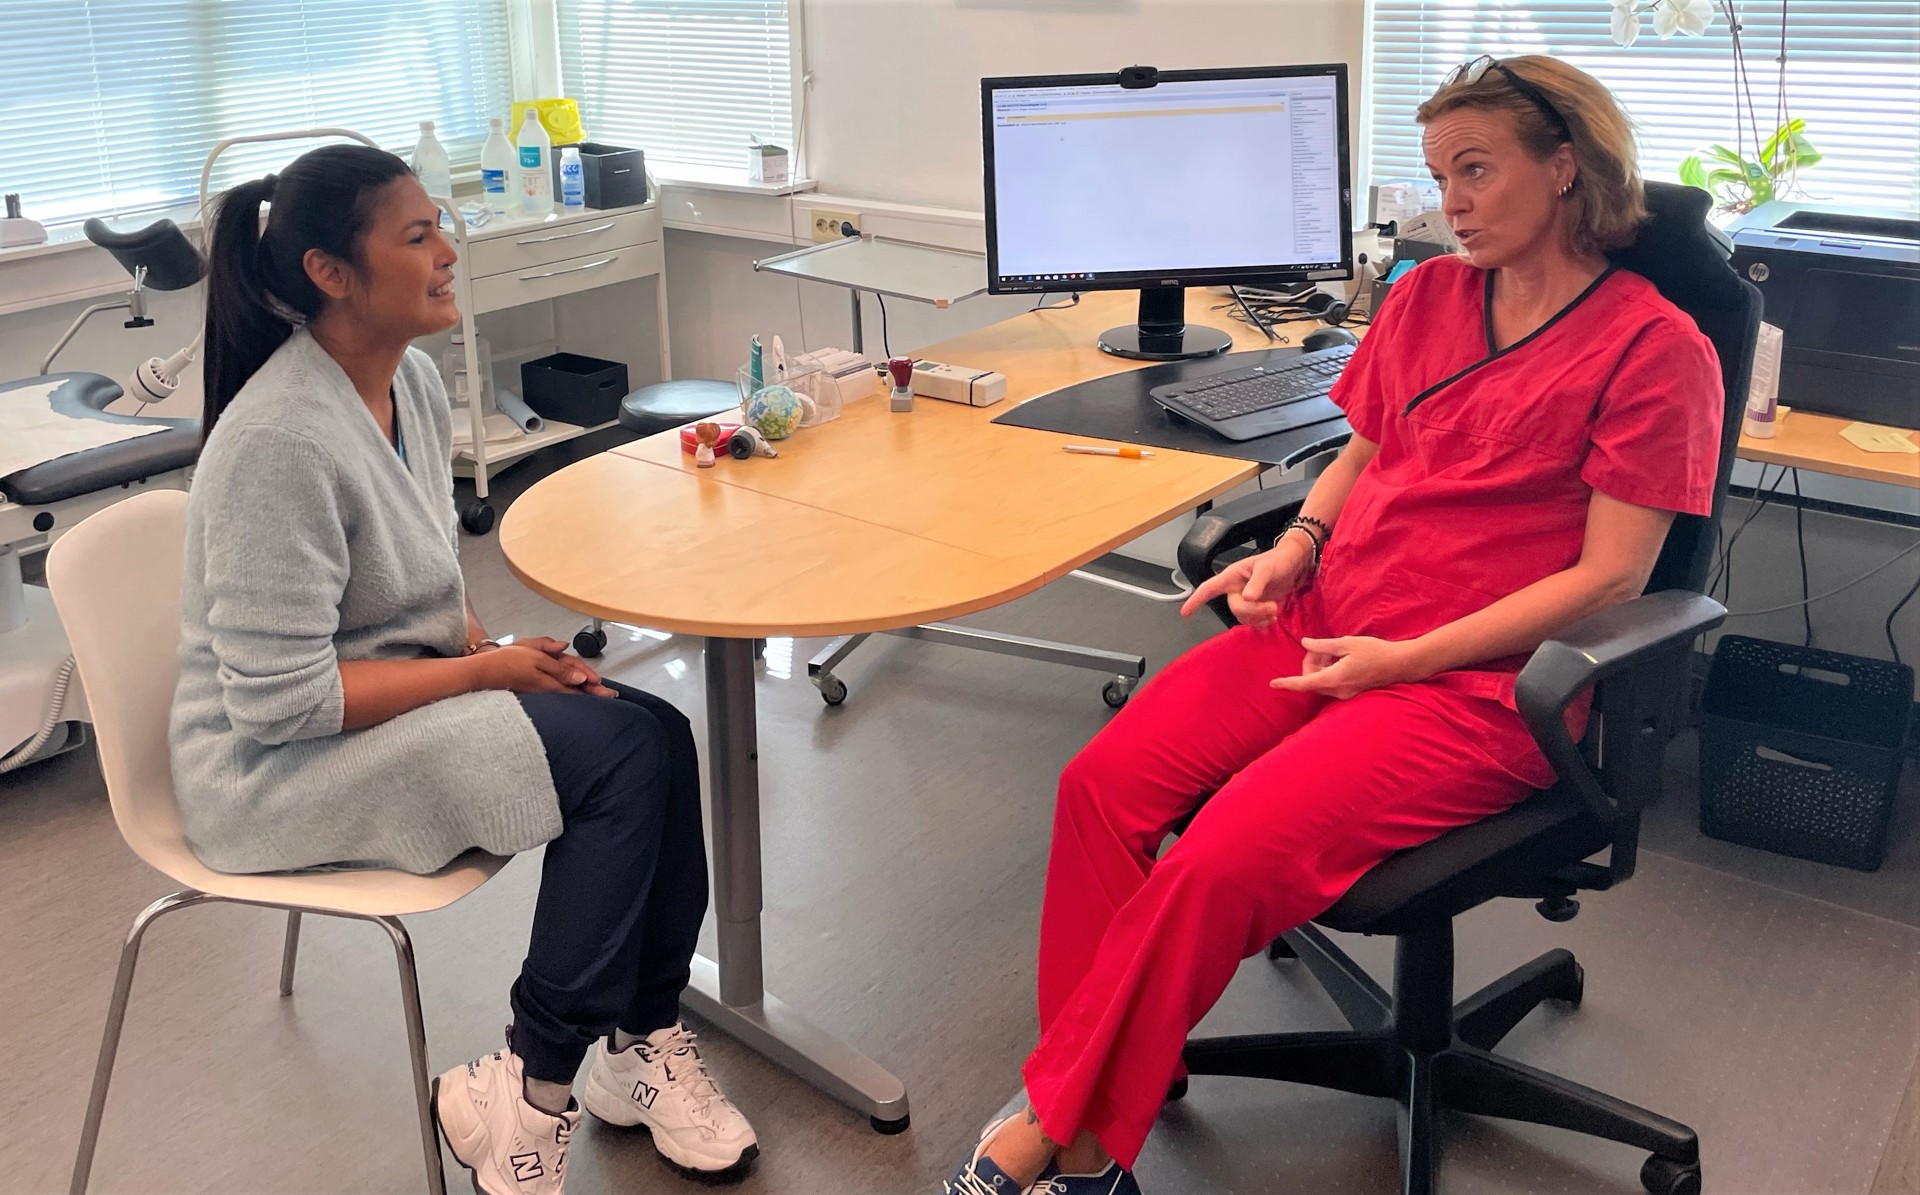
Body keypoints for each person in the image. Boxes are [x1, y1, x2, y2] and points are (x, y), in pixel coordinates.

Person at [941, 55, 1723, 1195]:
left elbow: (1612, 579)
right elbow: (1361, 448)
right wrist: (1294, 548)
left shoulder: (1659, 351)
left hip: (1475, 685)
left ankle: (1064, 1128)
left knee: (1216, 856)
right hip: (1327, 626)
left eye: (1475, 170)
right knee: (1100, 786)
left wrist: (1407, 657)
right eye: (1436, 175)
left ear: (1566, 167)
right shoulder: (1428, 295)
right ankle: (1101, 1109)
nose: (1449, 202)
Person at [170, 144, 756, 1194]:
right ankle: (529, 1091)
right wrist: (486, 677)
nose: (449, 252)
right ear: (330, 274)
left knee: (655, 730)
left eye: (442, 226)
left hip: (385, 702)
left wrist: (492, 653)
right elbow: (279, 706)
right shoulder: (278, 442)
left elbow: (427, 584)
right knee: (622, 759)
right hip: (275, 770)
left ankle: (639, 1043)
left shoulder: (418, 389)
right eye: (417, 236)